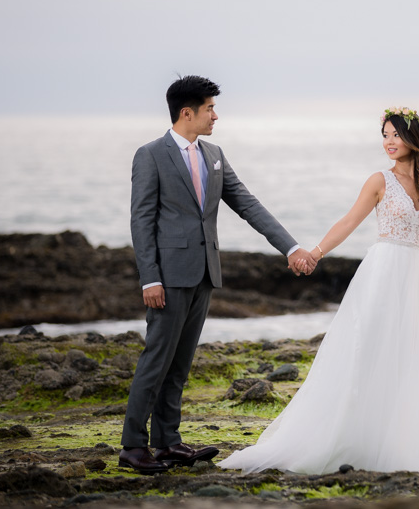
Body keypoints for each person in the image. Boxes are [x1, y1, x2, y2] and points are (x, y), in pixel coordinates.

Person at [217, 106, 419, 475]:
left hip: (413, 278)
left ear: (413, 138)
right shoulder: (379, 180)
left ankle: (395, 442)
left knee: (407, 355)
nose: (389, 142)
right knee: (368, 350)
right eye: (385, 136)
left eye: (395, 135)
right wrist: (315, 252)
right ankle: (344, 436)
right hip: (382, 273)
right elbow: (349, 220)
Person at [120, 75, 316, 474]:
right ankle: (132, 447)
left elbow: (247, 203)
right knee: (156, 360)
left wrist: (291, 247)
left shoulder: (214, 153)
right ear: (186, 113)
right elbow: (141, 221)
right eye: (210, 108)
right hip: (169, 277)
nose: (215, 115)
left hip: (205, 273)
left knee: (180, 363)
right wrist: (149, 278)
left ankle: (168, 442)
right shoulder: (150, 155)